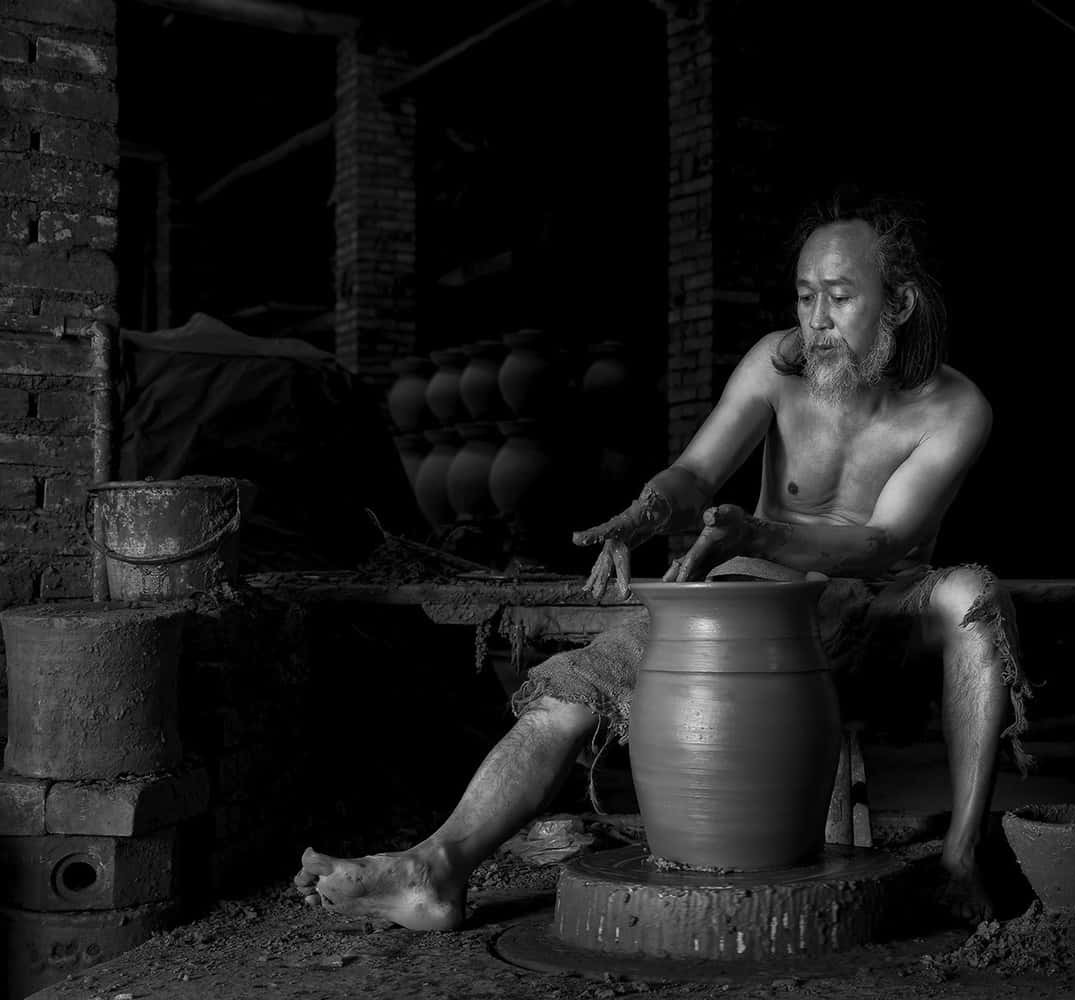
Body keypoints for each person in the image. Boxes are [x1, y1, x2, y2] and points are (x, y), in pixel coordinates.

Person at [294, 190, 1031, 930]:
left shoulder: (956, 408)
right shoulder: (776, 365)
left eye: (840, 298)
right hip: (760, 594)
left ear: (898, 303)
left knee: (972, 592)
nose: (816, 321)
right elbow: (698, 474)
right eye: (805, 296)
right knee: (575, 687)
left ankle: (959, 865)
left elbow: (883, 541)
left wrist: (759, 535)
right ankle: (438, 866)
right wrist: (646, 515)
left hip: (880, 610)